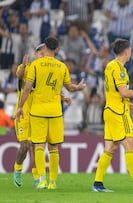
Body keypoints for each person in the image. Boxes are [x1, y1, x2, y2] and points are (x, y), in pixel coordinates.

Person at [15, 37, 86, 190]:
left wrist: (20, 107)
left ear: (45, 48)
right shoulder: (62, 67)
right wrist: (79, 87)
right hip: (55, 112)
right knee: (54, 148)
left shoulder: (36, 65)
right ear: (57, 49)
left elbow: (27, 88)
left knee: (39, 146)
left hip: (38, 111)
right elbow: (69, 87)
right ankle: (52, 182)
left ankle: (41, 180)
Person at [92, 38, 133, 193]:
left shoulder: (110, 66)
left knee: (110, 147)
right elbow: (123, 92)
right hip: (119, 113)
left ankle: (98, 183)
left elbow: (116, 94)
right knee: (129, 145)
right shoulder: (119, 69)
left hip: (109, 110)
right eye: (130, 51)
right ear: (127, 52)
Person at [13, 44, 45, 188]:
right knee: (25, 145)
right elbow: (19, 75)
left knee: (35, 146)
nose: (42, 55)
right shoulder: (26, 68)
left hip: (37, 115)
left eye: (44, 53)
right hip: (23, 114)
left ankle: (36, 177)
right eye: (40, 52)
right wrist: (24, 66)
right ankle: (18, 168)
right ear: (35, 53)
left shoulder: (45, 73)